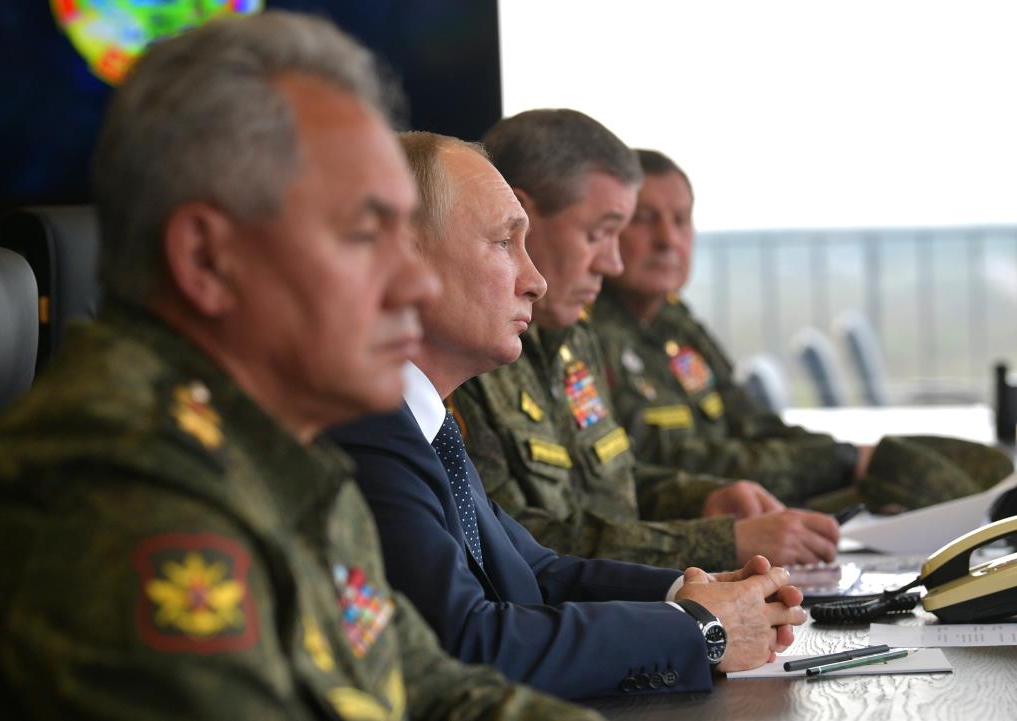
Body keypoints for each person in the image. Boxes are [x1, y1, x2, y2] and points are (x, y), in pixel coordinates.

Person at [0, 14, 601, 721]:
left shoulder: (278, 450)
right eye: (364, 235)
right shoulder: (123, 493)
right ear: (208, 260)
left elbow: (426, 686)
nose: (414, 284)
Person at [328, 131, 806, 700]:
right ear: (402, 259)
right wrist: (697, 629)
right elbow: (467, 642)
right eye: (505, 243)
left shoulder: (419, 424)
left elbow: (535, 572)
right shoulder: (362, 430)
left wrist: (694, 592)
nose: (536, 281)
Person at [452, 109, 840, 570]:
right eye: (598, 234)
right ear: (521, 219)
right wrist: (718, 542)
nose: (611, 263)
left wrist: (706, 499)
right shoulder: (466, 358)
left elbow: (609, 486)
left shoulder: (571, 341)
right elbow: (519, 550)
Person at [590, 149, 1013, 514]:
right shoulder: (586, 332)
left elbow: (754, 423)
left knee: (971, 477)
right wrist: (840, 464)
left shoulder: (674, 323)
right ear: (608, 230)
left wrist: (849, 461)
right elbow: (656, 462)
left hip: (752, 510)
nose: (668, 239)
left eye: (681, 220)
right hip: (699, 532)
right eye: (645, 220)